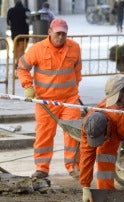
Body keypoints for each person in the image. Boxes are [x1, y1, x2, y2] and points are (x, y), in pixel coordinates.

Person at [17, 18, 82, 179]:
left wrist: (74, 89)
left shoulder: (74, 48)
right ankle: (42, 168)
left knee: (73, 134)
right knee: (44, 135)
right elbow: (22, 67)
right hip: (45, 101)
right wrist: (28, 86)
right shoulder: (37, 49)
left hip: (69, 100)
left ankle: (73, 166)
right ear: (50, 32)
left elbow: (77, 71)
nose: (60, 37)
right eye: (58, 33)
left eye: (63, 34)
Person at [6, 0, 30, 67]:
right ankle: (18, 64)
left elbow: (8, 22)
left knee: (16, 49)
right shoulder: (26, 10)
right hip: (24, 34)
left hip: (14, 33)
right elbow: (29, 21)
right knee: (22, 49)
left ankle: (17, 62)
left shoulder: (10, 11)